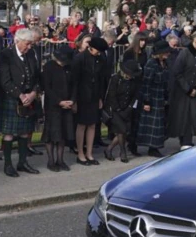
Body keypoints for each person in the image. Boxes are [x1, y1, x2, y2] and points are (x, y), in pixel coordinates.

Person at [0, 29, 42, 177]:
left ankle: (22, 163)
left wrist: (34, 93)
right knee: (9, 133)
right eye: (27, 44)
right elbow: (5, 80)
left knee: (24, 132)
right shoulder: (6, 54)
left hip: (28, 98)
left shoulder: (31, 53)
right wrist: (21, 95)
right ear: (18, 41)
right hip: (12, 98)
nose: (29, 47)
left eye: (31, 44)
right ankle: (8, 165)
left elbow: (37, 76)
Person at [71, 37, 108, 166]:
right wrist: (73, 100)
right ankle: (80, 153)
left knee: (92, 124)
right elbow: (74, 81)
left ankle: (89, 153)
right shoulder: (79, 59)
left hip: (94, 96)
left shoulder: (100, 59)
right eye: (98, 51)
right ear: (91, 48)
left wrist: (100, 98)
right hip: (82, 96)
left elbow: (101, 80)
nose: (99, 53)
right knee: (81, 125)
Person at [168, 30, 196, 150]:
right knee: (182, 115)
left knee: (192, 115)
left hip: (194, 89)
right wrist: (187, 88)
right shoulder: (184, 53)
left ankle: (188, 140)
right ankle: (183, 139)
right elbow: (177, 72)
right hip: (182, 90)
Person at [42, 46, 74, 172]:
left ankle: (60, 160)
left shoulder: (69, 67)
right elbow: (47, 87)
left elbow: (74, 85)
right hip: (53, 105)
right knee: (51, 134)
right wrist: (59, 101)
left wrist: (72, 100)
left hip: (67, 104)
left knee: (63, 133)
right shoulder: (49, 67)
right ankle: (51, 161)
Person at [103, 60, 142, 163]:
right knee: (122, 130)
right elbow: (112, 95)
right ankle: (122, 151)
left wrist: (129, 108)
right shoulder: (115, 79)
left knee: (124, 132)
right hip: (115, 109)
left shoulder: (134, 81)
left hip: (127, 109)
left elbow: (135, 96)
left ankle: (109, 149)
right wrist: (118, 109)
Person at [137, 41, 171, 157]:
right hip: (152, 97)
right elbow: (146, 83)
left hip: (160, 97)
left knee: (160, 124)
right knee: (152, 124)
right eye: (166, 52)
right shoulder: (151, 64)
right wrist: (146, 101)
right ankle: (151, 147)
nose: (168, 54)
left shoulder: (164, 63)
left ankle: (155, 146)